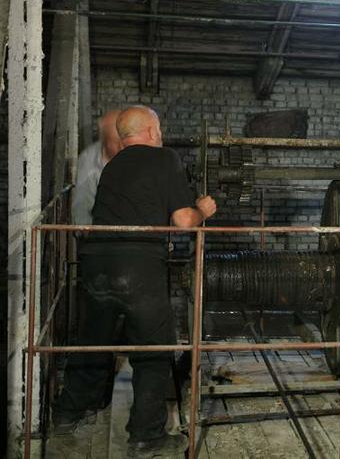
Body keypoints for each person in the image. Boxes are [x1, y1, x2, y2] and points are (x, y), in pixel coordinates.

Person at [53, 106, 217, 456]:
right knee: (154, 350)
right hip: (139, 265)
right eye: (159, 129)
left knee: (93, 341)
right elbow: (184, 221)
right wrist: (203, 209)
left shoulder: (112, 167)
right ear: (152, 131)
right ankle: (146, 436)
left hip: (96, 263)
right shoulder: (165, 158)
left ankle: (67, 414)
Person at [72, 110, 122, 225]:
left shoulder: (136, 154)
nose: (121, 147)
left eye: (124, 140)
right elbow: (82, 206)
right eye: (116, 142)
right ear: (104, 141)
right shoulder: (88, 160)